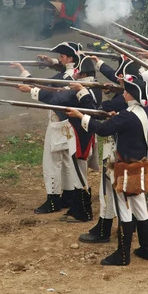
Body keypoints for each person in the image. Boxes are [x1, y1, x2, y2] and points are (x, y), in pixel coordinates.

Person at [67, 76, 148, 266]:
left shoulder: (127, 115)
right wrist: (114, 118)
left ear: (131, 94)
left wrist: (81, 116)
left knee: (124, 210)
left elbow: (101, 129)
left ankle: (123, 255)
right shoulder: (144, 110)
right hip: (139, 165)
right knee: (140, 208)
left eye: (126, 91)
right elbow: (124, 126)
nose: (123, 93)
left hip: (124, 168)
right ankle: (147, 249)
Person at [15, 56, 101, 222]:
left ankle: (84, 212)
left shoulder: (81, 89)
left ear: (82, 73)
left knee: (79, 176)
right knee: (77, 173)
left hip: (78, 137)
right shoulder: (92, 86)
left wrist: (31, 91)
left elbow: (56, 99)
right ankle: (77, 208)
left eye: (77, 71)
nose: (74, 74)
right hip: (83, 135)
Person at [10, 42, 82, 213]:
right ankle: (68, 195)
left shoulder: (65, 78)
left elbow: (43, 86)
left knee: (51, 162)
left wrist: (25, 78)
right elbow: (59, 73)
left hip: (59, 124)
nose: (60, 59)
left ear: (70, 58)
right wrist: (50, 62)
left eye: (62, 57)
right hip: (69, 125)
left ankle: (53, 199)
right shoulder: (77, 74)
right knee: (65, 161)